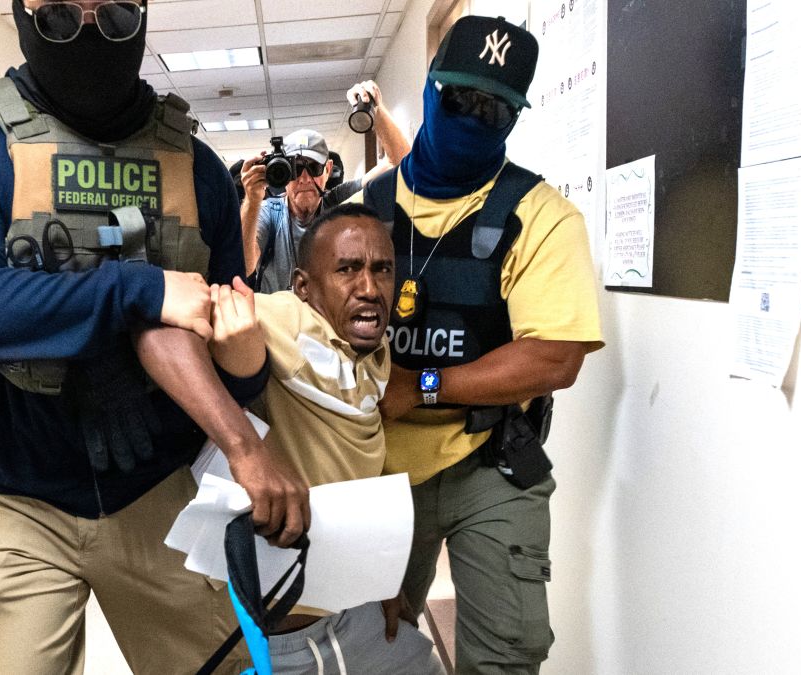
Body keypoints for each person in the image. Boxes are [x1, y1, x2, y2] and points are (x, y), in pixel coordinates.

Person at [0, 1, 308, 672]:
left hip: (160, 488)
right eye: (60, 12)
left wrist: (241, 366)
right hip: (19, 495)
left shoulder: (197, 167)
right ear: (23, 11)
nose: (88, 29)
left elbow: (231, 358)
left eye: (114, 11)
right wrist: (140, 292)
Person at [361, 16, 604, 674]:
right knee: (367, 644)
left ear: (515, 116)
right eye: (460, 98)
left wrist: (426, 385)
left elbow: (556, 357)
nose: (474, 116)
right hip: (376, 468)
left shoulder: (541, 215)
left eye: (494, 107)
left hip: (488, 457)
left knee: (506, 654)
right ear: (433, 87)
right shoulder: (366, 211)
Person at [207, 203, 445, 674]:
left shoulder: (373, 351)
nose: (370, 288)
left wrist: (383, 577)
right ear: (302, 287)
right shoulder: (277, 320)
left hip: (354, 609)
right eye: (347, 270)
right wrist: (240, 431)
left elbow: (359, 471)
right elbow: (169, 319)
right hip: (273, 635)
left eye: (382, 270)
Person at [241, 85, 411, 293]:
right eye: (295, 169)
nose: (304, 178)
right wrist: (252, 200)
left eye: (313, 168)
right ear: (283, 175)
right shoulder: (269, 212)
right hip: (279, 323)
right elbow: (245, 265)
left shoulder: (340, 202)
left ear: (328, 169)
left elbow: (401, 165)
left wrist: (376, 107)